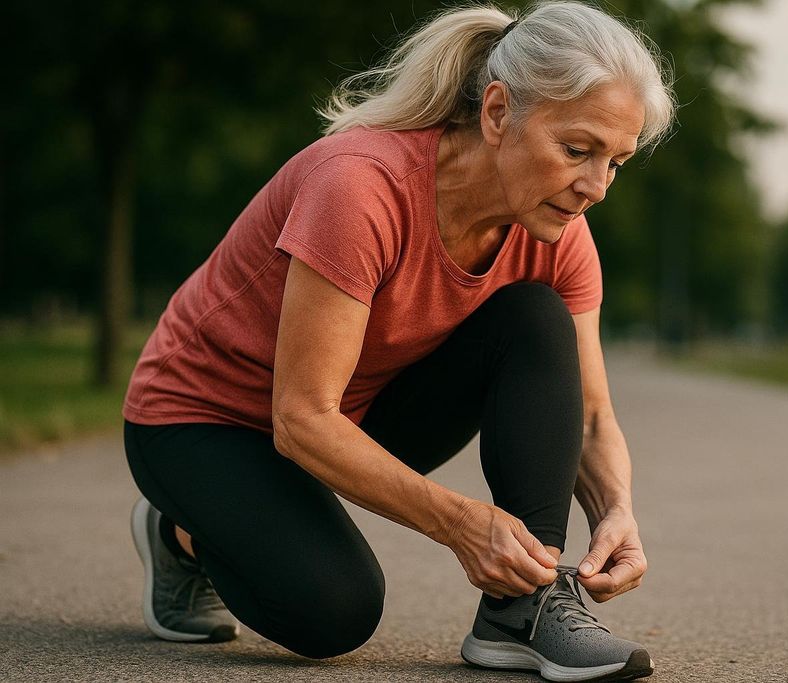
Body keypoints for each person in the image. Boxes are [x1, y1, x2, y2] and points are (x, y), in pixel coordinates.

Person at [121, 1, 675, 681]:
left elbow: (590, 415)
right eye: (577, 149)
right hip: (203, 420)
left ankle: (521, 609)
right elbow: (300, 416)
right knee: (336, 610)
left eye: (616, 161)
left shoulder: (556, 231)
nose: (595, 187)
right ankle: (180, 531)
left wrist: (617, 510)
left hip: (346, 414)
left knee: (534, 317)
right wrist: (462, 523)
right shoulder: (360, 186)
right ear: (498, 113)